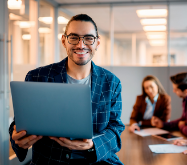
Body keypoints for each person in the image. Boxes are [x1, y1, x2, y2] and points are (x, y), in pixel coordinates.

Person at [9, 14, 125, 165]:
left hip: (96, 161)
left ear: (97, 42)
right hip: (50, 160)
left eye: (89, 38)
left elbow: (115, 128)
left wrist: (92, 145)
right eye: (74, 37)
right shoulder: (37, 77)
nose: (81, 45)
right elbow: (22, 121)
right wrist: (16, 135)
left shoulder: (111, 82)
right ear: (64, 41)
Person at [152, 72, 187, 137]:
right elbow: (183, 120)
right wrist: (163, 124)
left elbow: (182, 124)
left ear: (185, 91)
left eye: (176, 89)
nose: (173, 91)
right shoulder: (185, 99)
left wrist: (181, 126)